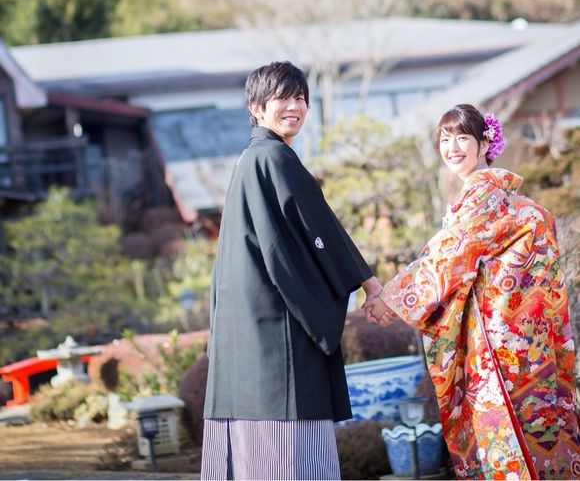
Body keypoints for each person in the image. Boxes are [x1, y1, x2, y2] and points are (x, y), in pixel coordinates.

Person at [364, 104, 580, 480]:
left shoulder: (485, 196)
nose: (452, 148)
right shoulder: (508, 199)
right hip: (529, 346)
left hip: (500, 350)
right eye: (444, 139)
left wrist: (391, 298)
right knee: (539, 439)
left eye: (462, 138)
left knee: (505, 444)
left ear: (484, 143)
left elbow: (448, 254)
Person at [201, 61, 383, 480]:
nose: (295, 107)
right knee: (292, 456)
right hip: (276, 327)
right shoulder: (274, 158)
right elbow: (319, 229)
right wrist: (368, 284)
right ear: (255, 108)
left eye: (300, 98)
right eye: (282, 98)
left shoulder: (250, 160)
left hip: (247, 328)